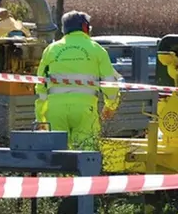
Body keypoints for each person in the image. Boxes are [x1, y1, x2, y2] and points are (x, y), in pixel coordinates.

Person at [34, 10, 122, 150]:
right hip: (85, 110)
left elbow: (41, 86)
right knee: (86, 155)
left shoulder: (51, 50)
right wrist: (110, 106)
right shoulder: (97, 50)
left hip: (55, 110)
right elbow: (110, 84)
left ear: (64, 29)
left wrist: (40, 118)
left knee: (57, 155)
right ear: (85, 27)